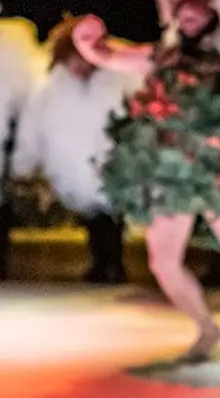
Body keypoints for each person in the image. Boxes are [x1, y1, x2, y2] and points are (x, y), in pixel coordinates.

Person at [71, 0, 220, 360]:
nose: (189, 17)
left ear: (212, 13)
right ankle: (206, 328)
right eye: (183, 11)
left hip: (219, 175)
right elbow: (109, 55)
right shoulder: (161, 57)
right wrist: (87, 42)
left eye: (197, 10)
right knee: (163, 261)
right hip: (171, 177)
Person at [13, 15, 142, 283]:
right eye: (75, 59)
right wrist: (27, 160)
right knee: (92, 215)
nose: (81, 66)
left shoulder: (118, 77)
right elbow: (34, 123)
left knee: (111, 214)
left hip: (112, 158)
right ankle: (101, 262)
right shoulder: (51, 85)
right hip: (72, 161)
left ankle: (113, 263)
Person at [0, 14, 47, 280]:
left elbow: (32, 91)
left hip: (9, 134)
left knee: (3, 201)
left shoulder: (16, 40)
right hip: (10, 132)